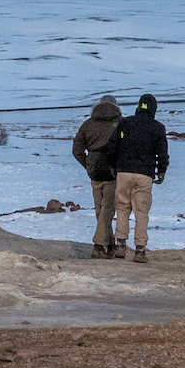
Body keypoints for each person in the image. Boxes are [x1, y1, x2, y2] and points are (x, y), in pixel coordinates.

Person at [108, 93, 170, 262]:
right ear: (154, 109)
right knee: (141, 212)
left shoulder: (125, 123)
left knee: (122, 208)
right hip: (144, 174)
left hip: (124, 172)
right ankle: (140, 250)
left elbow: (114, 146)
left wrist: (114, 166)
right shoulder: (158, 128)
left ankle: (120, 245)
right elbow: (162, 153)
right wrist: (161, 170)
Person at [70, 94, 123, 260]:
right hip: (112, 169)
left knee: (100, 209)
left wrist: (88, 164)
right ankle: (99, 246)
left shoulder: (88, 124)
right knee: (108, 208)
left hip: (94, 171)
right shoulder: (121, 123)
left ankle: (110, 244)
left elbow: (77, 150)